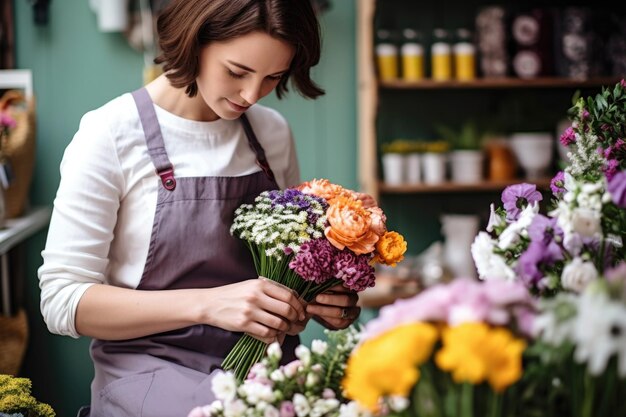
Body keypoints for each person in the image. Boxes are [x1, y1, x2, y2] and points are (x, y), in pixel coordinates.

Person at [37, 1, 361, 415]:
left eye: (273, 77)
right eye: (237, 72)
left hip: (268, 372)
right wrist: (209, 304)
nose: (250, 94)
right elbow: (63, 300)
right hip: (150, 379)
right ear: (195, 40)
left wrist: (319, 300)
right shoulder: (110, 134)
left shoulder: (271, 133)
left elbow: (287, 267)